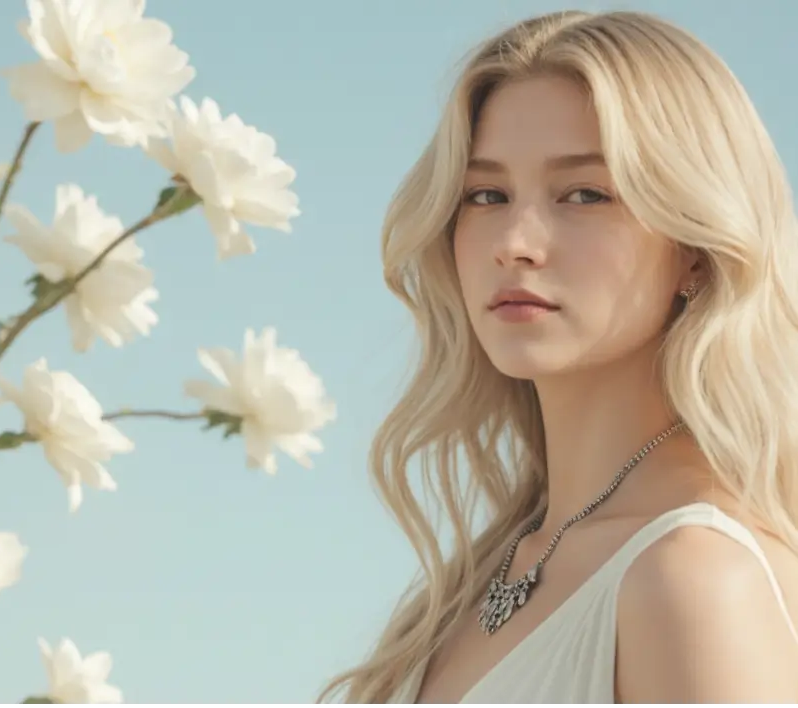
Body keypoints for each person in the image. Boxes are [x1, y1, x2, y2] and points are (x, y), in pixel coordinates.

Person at [317, 9, 798, 705]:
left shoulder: (692, 579)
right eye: (485, 195)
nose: (514, 240)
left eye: (583, 194)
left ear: (694, 248)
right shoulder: (475, 580)